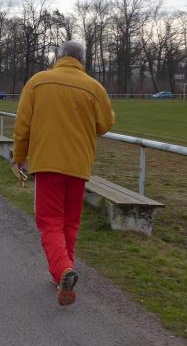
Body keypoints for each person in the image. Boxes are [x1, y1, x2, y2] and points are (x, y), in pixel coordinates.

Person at [12, 41, 114, 306]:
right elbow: (105, 124)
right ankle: (63, 274)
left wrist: (19, 157)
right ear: (82, 60)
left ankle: (62, 270)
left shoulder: (38, 82)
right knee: (70, 222)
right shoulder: (94, 87)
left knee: (50, 222)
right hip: (78, 165)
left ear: (58, 57)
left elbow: (23, 126)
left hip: (47, 163)